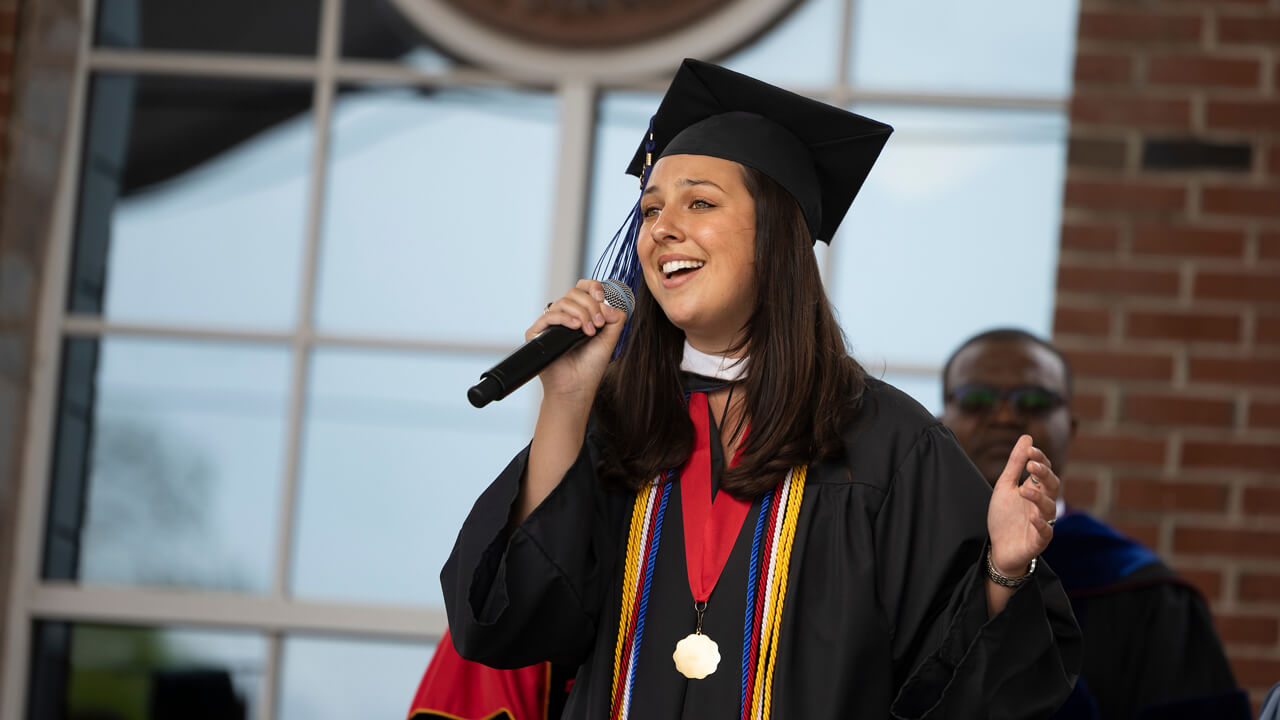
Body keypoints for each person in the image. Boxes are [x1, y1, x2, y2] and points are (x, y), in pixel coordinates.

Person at [442, 58, 1081, 719]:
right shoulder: (619, 422)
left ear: (778, 233)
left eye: (700, 202)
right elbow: (505, 620)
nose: (660, 228)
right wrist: (568, 398)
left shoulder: (890, 446)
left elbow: (980, 688)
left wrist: (1005, 569)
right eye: (650, 209)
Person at [940, 328, 1250, 720]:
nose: (1005, 416)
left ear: (1070, 428)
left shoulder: (1142, 592)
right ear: (941, 422)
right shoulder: (902, 566)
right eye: (976, 399)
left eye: (1034, 400)